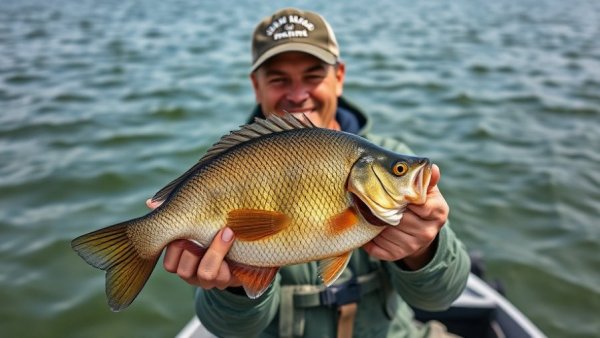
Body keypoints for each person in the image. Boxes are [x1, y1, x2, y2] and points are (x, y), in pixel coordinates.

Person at [151, 8, 470, 338]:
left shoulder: (386, 150)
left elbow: (443, 295)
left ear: (340, 77)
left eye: (313, 75)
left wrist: (423, 250)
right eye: (278, 79)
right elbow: (229, 330)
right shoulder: (228, 171)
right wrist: (231, 288)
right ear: (255, 86)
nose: (298, 94)